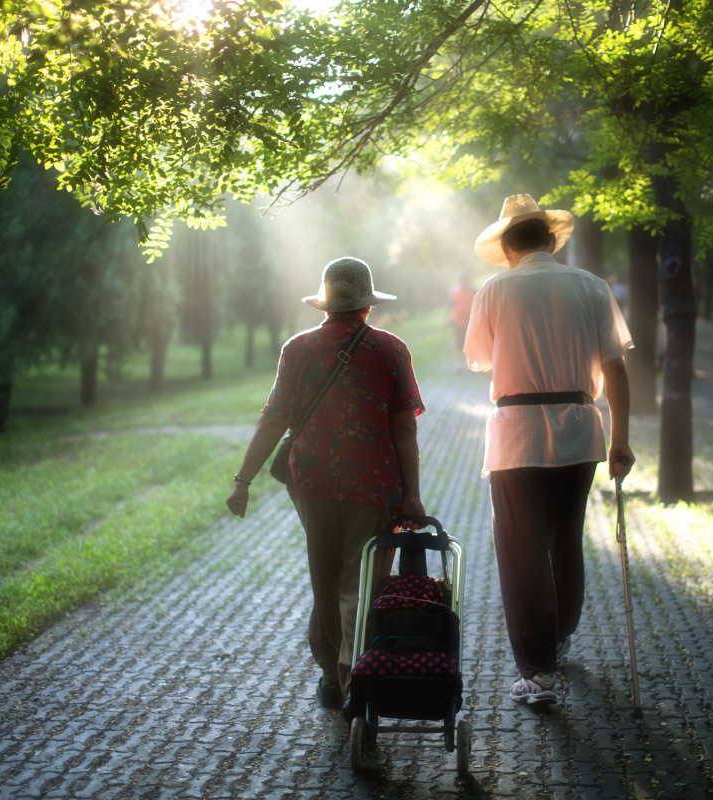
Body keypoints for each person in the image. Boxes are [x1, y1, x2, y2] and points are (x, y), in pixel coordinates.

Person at [225, 257, 426, 710]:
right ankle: (354, 677)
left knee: (327, 580)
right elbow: (404, 429)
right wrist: (411, 495)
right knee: (361, 583)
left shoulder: (297, 349)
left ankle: (333, 676)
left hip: (312, 484)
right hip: (374, 485)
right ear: (368, 306)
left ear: (326, 304)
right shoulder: (391, 350)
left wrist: (243, 480)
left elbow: (273, 419)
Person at [463, 194, 635, 708]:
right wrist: (621, 439)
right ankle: (558, 635)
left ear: (508, 247)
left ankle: (536, 673)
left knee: (520, 551)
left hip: (516, 433)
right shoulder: (591, 286)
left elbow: (478, 359)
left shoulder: (494, 291)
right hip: (581, 432)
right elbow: (617, 370)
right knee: (565, 541)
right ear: (550, 240)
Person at [449, 273, 475, 355]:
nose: (462, 282)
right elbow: (450, 304)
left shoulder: (473, 290)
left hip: (471, 321)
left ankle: (472, 361)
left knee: (471, 341)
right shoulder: (455, 291)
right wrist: (447, 318)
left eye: (464, 280)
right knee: (459, 343)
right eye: (461, 281)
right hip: (458, 321)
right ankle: (459, 364)